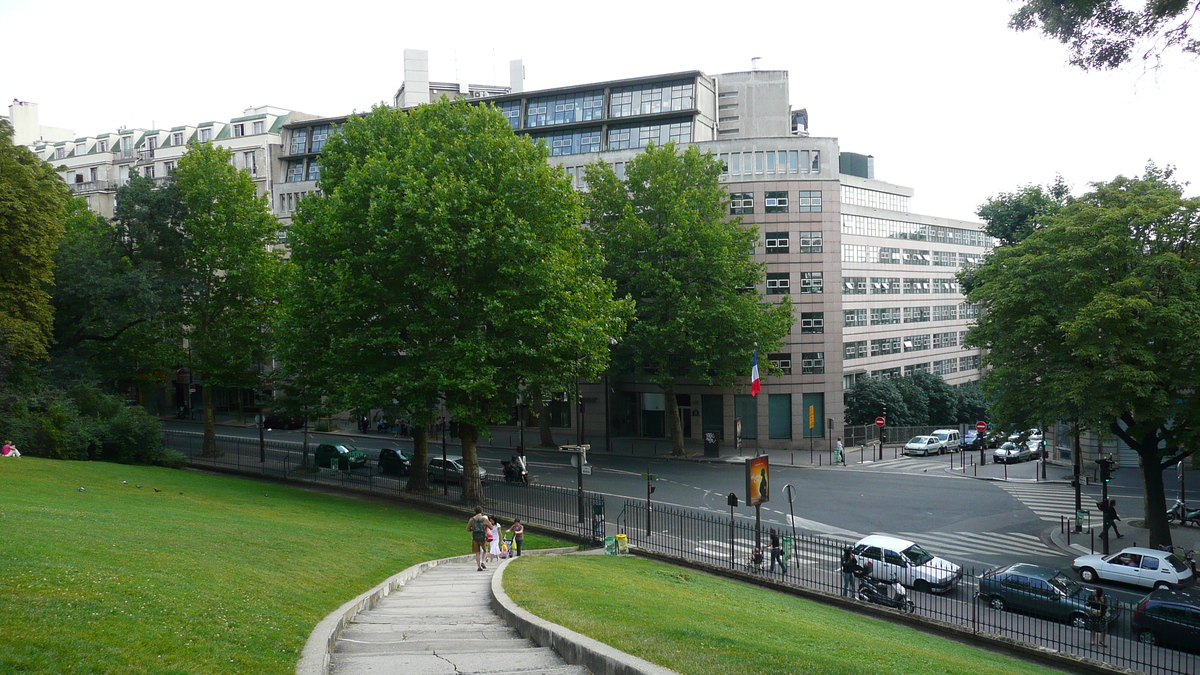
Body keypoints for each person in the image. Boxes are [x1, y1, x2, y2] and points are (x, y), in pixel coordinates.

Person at [467, 507, 490, 571]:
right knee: (485, 551)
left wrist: (473, 529)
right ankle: (483, 561)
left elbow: (467, 529)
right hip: (483, 537)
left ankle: (479, 567)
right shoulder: (484, 519)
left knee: (477, 552)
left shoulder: (472, 519)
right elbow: (491, 527)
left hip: (475, 538)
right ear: (481, 511)